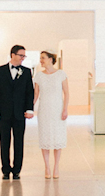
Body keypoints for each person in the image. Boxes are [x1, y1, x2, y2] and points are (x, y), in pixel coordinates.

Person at [0, 45, 34, 180]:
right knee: (4, 141)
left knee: (19, 141)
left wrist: (29, 109)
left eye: (24, 56)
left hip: (20, 113)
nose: (23, 58)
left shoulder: (26, 72)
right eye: (21, 55)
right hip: (3, 113)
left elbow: (29, 92)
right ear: (13, 55)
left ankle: (17, 170)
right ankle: (5, 169)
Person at [33, 51, 69, 179]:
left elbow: (66, 93)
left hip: (57, 110)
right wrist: (30, 109)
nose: (41, 61)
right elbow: (36, 94)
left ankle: (56, 166)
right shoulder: (39, 76)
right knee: (45, 138)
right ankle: (47, 166)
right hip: (44, 111)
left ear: (50, 59)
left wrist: (65, 109)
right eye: (40, 58)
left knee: (57, 137)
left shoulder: (61, 74)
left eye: (43, 58)